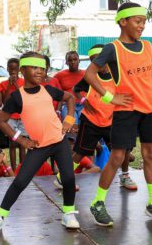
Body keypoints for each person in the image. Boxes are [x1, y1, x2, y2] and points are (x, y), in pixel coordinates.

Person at [85, 2, 152, 227]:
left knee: (151, 154)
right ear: (123, 21)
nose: (142, 25)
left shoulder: (148, 46)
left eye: (144, 22)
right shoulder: (113, 48)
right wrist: (109, 97)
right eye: (137, 21)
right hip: (127, 109)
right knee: (117, 157)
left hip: (150, 107)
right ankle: (98, 203)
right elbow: (89, 74)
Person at [0, 52, 79, 234]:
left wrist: (69, 119)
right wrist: (21, 139)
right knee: (20, 182)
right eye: (34, 67)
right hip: (38, 146)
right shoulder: (17, 97)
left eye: (42, 68)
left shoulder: (48, 90)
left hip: (59, 142)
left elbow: (70, 98)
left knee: (68, 178)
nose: (39, 71)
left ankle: (68, 213)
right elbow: (1, 121)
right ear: (22, 70)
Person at [54, 44, 130, 189]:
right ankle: (61, 178)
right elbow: (76, 89)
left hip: (110, 121)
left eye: (100, 58)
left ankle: (125, 176)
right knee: (80, 152)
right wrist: (84, 101)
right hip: (91, 121)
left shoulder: (117, 76)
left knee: (123, 149)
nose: (98, 62)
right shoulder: (90, 77)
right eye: (94, 60)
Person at [1, 58, 26, 169]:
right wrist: (8, 86)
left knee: (22, 144)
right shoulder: (3, 84)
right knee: (12, 143)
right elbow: (5, 101)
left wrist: (15, 84)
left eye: (15, 69)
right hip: (10, 117)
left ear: (19, 69)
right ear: (7, 69)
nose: (13, 71)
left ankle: (22, 167)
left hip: (22, 117)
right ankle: (14, 168)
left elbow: (23, 98)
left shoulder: (24, 82)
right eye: (11, 69)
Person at [54, 50, 86, 120]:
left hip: (84, 105)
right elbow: (54, 90)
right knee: (71, 124)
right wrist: (58, 109)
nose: (73, 62)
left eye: (75, 59)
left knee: (84, 124)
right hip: (67, 105)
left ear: (79, 61)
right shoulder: (59, 75)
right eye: (70, 60)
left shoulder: (86, 74)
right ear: (66, 62)